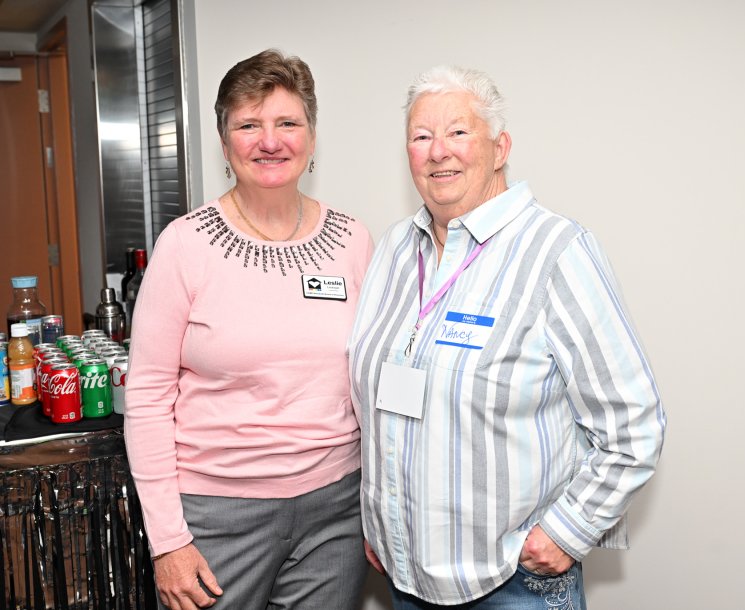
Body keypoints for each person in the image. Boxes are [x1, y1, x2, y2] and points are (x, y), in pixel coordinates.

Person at [349, 65, 666, 609]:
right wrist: (382, 523)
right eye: (421, 136)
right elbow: (377, 403)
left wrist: (568, 530)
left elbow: (634, 422)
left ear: (500, 148)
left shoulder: (556, 250)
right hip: (404, 578)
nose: (438, 151)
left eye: (458, 131)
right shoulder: (396, 248)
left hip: (512, 584)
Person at [124, 49, 373, 610]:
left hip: (337, 510)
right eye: (248, 125)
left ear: (312, 137)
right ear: (224, 142)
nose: (270, 141)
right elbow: (147, 395)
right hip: (216, 516)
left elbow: (369, 377)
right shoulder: (184, 245)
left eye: (288, 123)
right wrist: (168, 541)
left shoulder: (353, 239)